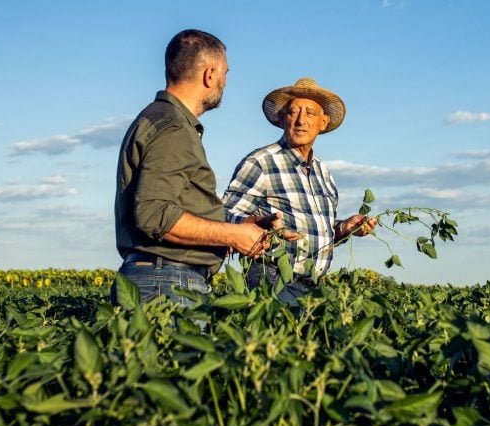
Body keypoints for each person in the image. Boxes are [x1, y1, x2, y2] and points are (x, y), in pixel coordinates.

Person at [112, 29, 276, 305]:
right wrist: (234, 236)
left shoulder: (161, 119)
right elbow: (154, 213)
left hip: (159, 277)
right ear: (210, 74)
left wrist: (240, 226)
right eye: (225, 72)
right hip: (167, 282)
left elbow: (171, 208)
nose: (224, 81)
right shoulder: (174, 127)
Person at [223, 77, 377, 307]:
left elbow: (319, 232)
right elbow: (223, 214)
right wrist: (261, 222)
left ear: (323, 122)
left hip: (313, 287)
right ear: (282, 118)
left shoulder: (323, 173)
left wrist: (345, 228)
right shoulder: (262, 162)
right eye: (293, 112)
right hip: (272, 278)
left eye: (310, 114)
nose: (300, 121)